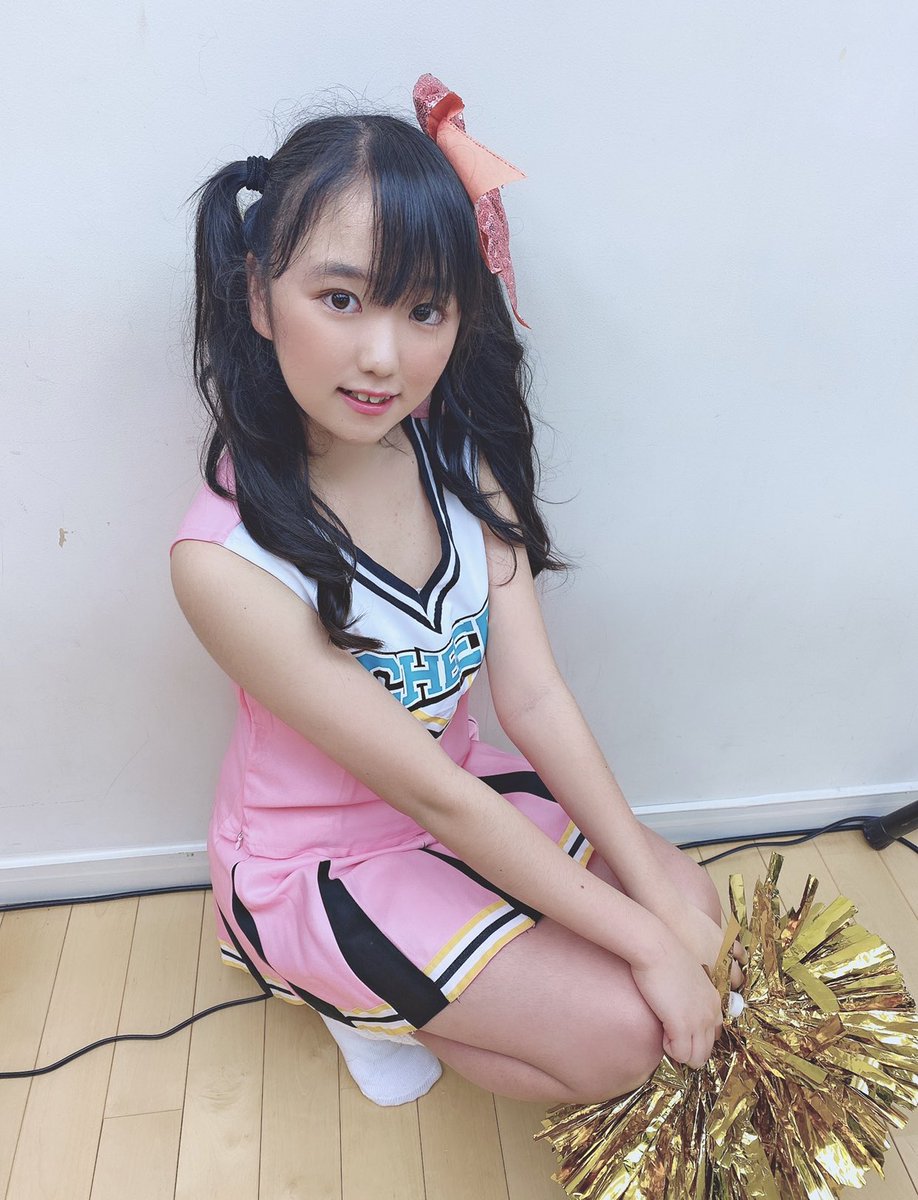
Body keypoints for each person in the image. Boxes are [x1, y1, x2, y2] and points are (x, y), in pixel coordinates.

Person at [170, 74, 746, 1109]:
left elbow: (534, 698)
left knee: (692, 898)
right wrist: (644, 947)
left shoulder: (456, 456)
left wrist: (662, 911)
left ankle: (446, 978)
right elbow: (425, 794)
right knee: (624, 1035)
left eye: (424, 308)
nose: (383, 357)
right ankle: (344, 998)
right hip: (321, 862)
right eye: (340, 299)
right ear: (259, 296)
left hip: (460, 794)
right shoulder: (222, 561)